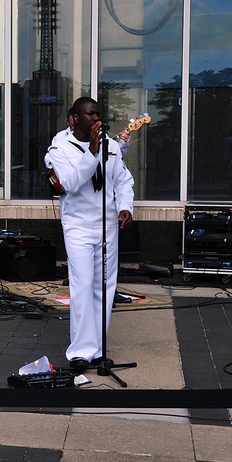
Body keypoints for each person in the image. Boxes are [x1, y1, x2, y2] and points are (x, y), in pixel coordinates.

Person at [44, 96, 134, 370]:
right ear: (73, 119)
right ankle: (80, 351)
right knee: (82, 286)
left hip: (108, 226)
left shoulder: (111, 146)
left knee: (104, 288)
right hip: (79, 227)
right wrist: (92, 153)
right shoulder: (59, 149)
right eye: (90, 115)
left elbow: (123, 180)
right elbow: (69, 184)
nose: (96, 119)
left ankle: (96, 348)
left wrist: (126, 206)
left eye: (98, 114)